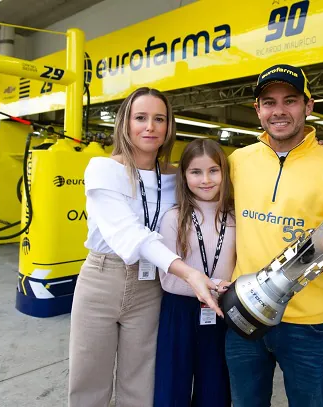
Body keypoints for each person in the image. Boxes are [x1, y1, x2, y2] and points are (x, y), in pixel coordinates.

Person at [68, 87, 222, 407]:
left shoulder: (175, 177)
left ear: (169, 127)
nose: (150, 126)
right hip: (102, 278)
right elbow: (131, 234)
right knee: (88, 379)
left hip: (151, 285)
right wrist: (189, 274)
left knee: (140, 382)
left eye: (159, 119)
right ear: (125, 123)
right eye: (141, 118)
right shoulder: (103, 169)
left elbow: (209, 203)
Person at [225, 64, 323, 407]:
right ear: (257, 109)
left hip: (306, 321)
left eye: (290, 100)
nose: (278, 111)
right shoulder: (237, 161)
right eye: (269, 102)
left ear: (308, 106)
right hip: (244, 309)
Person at [154, 139, 235, 407]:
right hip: (179, 311)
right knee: (172, 383)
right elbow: (168, 279)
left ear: (224, 172)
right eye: (196, 172)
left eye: (213, 170)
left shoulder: (235, 217)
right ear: (184, 175)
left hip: (221, 311)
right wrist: (211, 283)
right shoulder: (173, 218)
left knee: (216, 386)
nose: (206, 180)